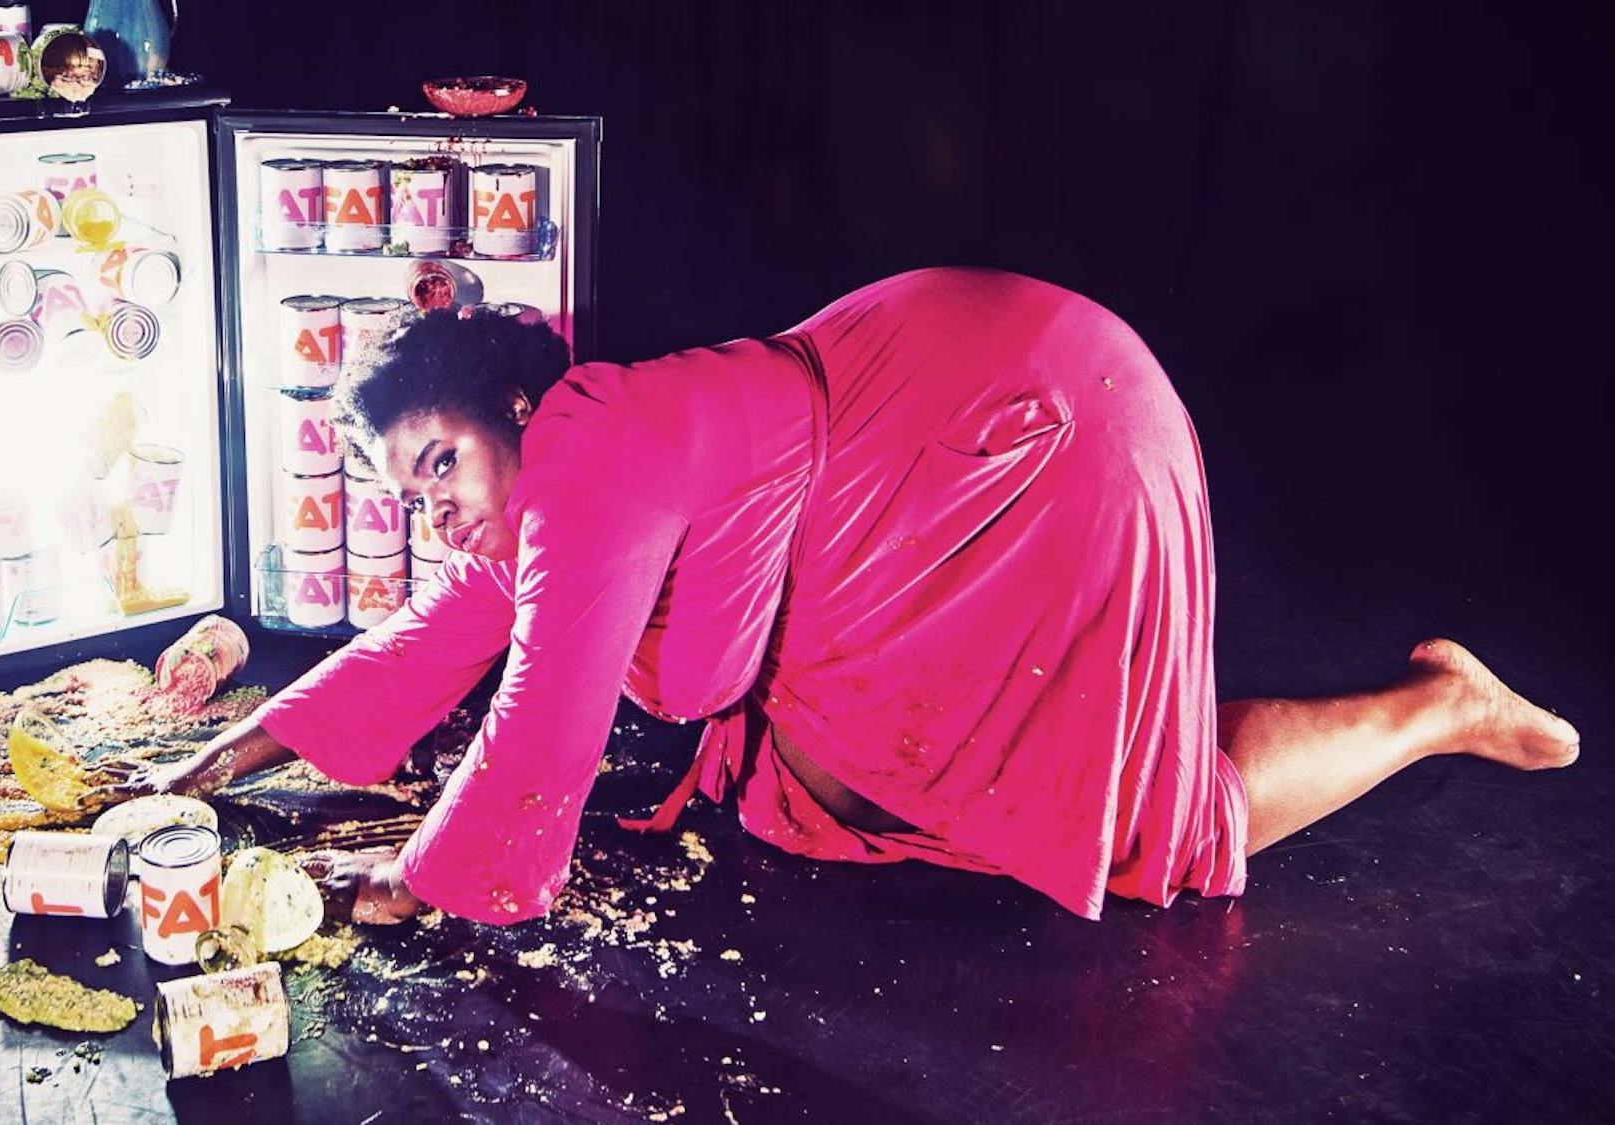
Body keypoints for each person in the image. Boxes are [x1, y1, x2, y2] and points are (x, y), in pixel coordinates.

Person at [95, 268, 1580, 926]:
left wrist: (411, 881)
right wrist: (229, 757)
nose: (434, 507)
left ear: (505, 400)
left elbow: (544, 722)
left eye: (437, 463)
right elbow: (445, 636)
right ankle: (1413, 704)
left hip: (1008, 437)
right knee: (1000, 761)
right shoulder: (556, 475)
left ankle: (1437, 704)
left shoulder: (593, 443)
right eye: (410, 491)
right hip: (924, 434)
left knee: (1130, 819)